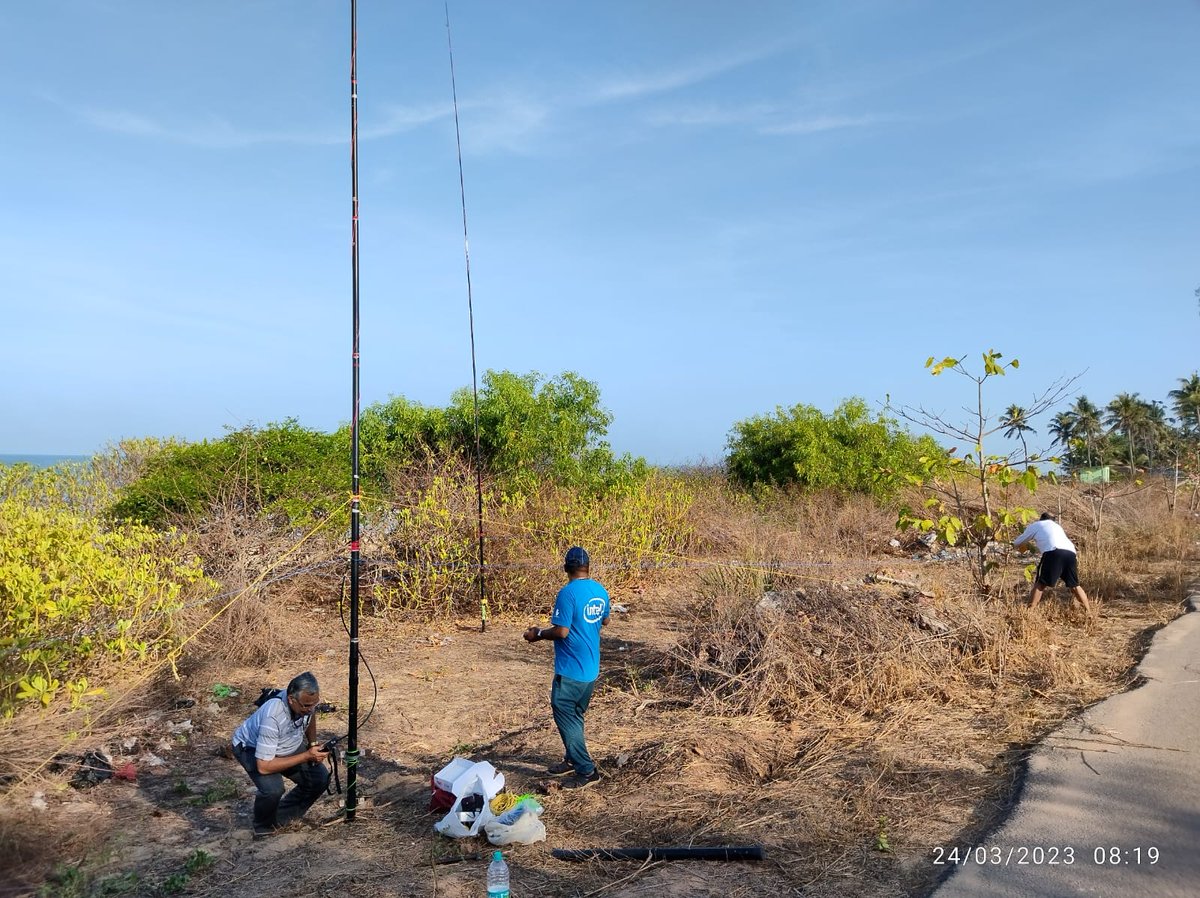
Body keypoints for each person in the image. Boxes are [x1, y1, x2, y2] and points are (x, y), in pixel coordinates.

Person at [524, 546, 610, 789]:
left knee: (564, 713)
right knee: (576, 716)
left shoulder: (568, 593)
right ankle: (572, 759)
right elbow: (604, 619)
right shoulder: (600, 590)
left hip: (570, 670)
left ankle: (586, 770)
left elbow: (561, 631)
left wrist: (537, 633)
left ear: (566, 568)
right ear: (588, 567)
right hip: (591, 669)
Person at [231, 671, 331, 836]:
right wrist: (307, 756)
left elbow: (310, 716)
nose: (311, 709)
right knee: (273, 790)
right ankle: (263, 827)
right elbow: (264, 767)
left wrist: (312, 744)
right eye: (306, 706)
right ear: (291, 700)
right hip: (251, 748)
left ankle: (280, 819)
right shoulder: (273, 716)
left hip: (286, 743)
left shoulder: (305, 704)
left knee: (319, 778)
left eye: (314, 704)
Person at [1013, 513, 1094, 616]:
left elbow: (1017, 543)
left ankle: (1029, 613)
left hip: (1053, 552)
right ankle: (1089, 613)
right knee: (1074, 585)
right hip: (1070, 553)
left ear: (1041, 519)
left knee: (1040, 583)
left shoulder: (1038, 524)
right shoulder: (1057, 527)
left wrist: (1012, 546)